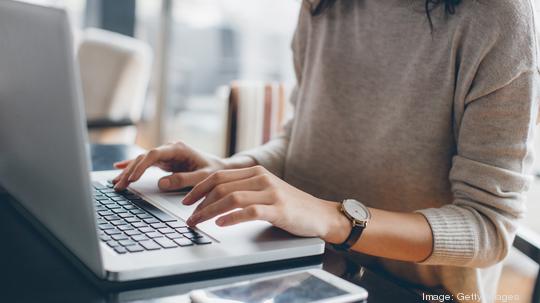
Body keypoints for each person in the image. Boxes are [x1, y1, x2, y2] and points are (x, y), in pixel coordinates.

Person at [113, 0, 539, 301]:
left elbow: (488, 227)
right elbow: (300, 138)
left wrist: (336, 218)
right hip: (297, 265)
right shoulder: (323, 4)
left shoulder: (499, 16)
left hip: (423, 294)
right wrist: (229, 170)